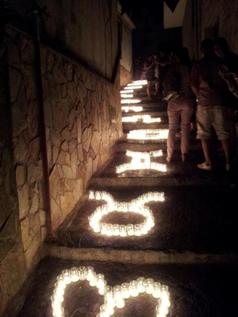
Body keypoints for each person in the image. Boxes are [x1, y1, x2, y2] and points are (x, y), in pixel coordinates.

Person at [191, 39, 232, 171]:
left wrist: (198, 95)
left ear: (202, 50)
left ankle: (208, 162)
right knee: (223, 133)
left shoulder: (198, 65)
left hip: (204, 102)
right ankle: (228, 163)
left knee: (204, 133)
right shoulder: (220, 63)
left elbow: (192, 83)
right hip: (220, 101)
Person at [163, 47, 195, 163]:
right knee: (185, 128)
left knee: (172, 129)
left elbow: (165, 87)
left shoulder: (171, 69)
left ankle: (169, 156)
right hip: (188, 100)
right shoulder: (190, 68)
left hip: (174, 101)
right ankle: (184, 155)